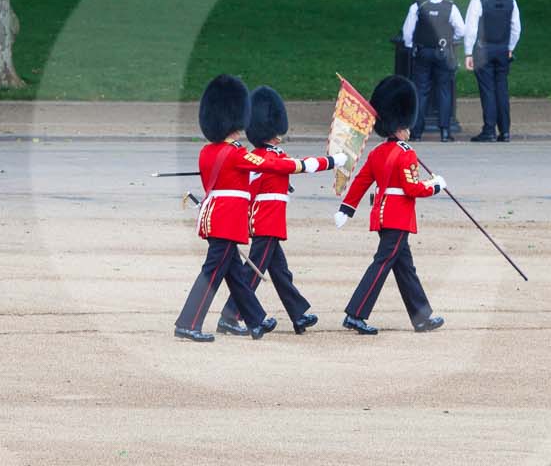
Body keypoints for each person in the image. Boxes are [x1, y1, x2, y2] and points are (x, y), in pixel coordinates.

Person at [216, 85, 341, 337]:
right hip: (265, 221)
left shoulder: (258, 156)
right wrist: (333, 161)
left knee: (281, 272)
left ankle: (298, 315)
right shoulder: (269, 156)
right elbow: (303, 166)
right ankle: (230, 316)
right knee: (252, 273)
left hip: (268, 220)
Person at [334, 75, 445, 335]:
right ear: (401, 124)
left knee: (405, 268)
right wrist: (436, 185)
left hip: (384, 217)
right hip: (397, 217)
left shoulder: (379, 152)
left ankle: (421, 317)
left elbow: (361, 183)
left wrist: (346, 209)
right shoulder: (406, 154)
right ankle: (356, 313)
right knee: (382, 264)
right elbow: (413, 189)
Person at [174, 75, 275, 343]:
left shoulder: (208, 151)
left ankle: (254, 321)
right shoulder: (236, 153)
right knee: (212, 272)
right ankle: (188, 323)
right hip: (226, 221)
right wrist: (320, 163)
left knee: (237, 274)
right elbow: (272, 165)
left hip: (217, 218)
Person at [400, 0, 464, 141]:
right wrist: (451, 39)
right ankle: (444, 132)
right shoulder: (450, 7)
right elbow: (461, 30)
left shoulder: (418, 6)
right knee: (444, 91)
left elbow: (407, 32)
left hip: (422, 52)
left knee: (420, 92)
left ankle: (416, 132)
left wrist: (410, 46)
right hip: (443, 52)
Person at [463, 0, 522, 142]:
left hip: (484, 50)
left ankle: (489, 130)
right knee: (502, 90)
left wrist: (468, 52)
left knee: (487, 90)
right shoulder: (510, 0)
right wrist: (510, 47)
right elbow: (516, 28)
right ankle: (505, 131)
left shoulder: (478, 0)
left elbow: (471, 29)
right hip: (503, 50)